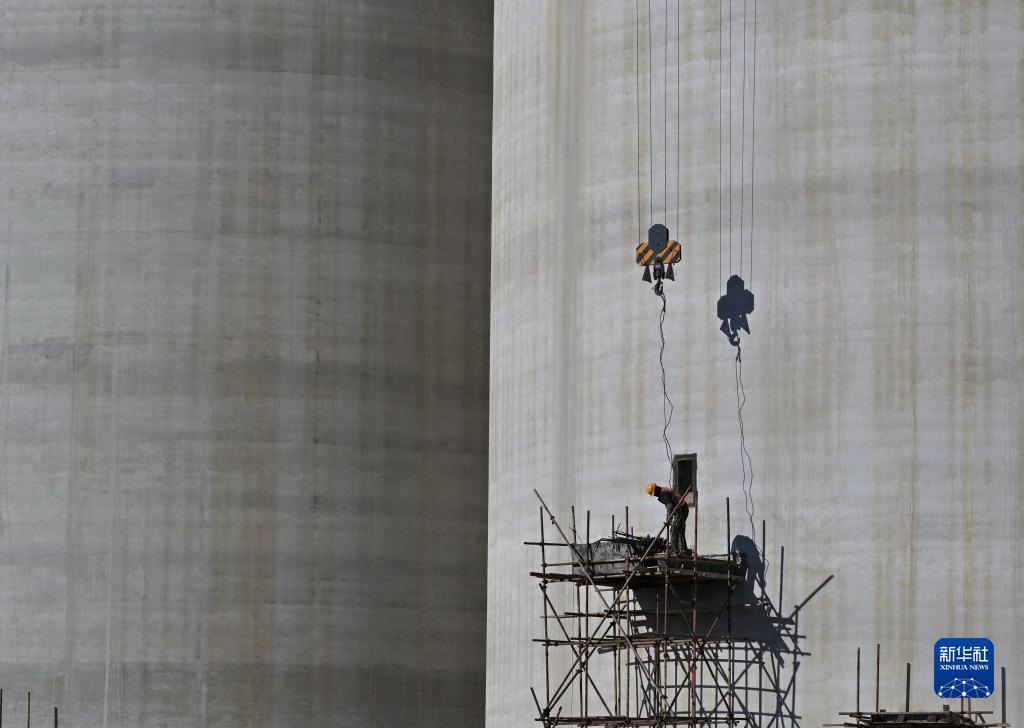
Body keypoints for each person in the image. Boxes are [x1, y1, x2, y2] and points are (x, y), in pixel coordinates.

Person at [645, 482, 691, 555]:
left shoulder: (663, 494)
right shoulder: (664, 490)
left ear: (655, 491)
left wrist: (668, 520)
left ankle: (675, 551)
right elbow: (671, 505)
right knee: (680, 530)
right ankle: (683, 550)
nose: (654, 496)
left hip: (681, 510)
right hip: (683, 509)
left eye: (653, 494)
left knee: (674, 530)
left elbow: (669, 506)